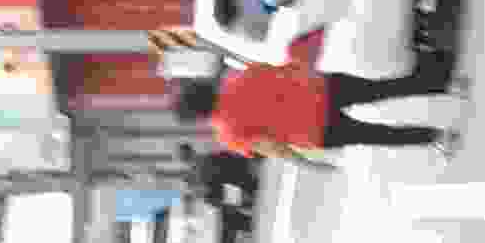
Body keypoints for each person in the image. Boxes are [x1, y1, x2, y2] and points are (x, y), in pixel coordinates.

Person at [172, 24, 462, 157]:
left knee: (377, 134)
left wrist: (299, 157)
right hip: (322, 87)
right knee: (383, 89)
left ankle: (438, 137)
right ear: (202, 87)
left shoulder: (229, 134)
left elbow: (270, 146)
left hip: (316, 129)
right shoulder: (236, 78)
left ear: (198, 116)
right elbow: (277, 68)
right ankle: (447, 84)